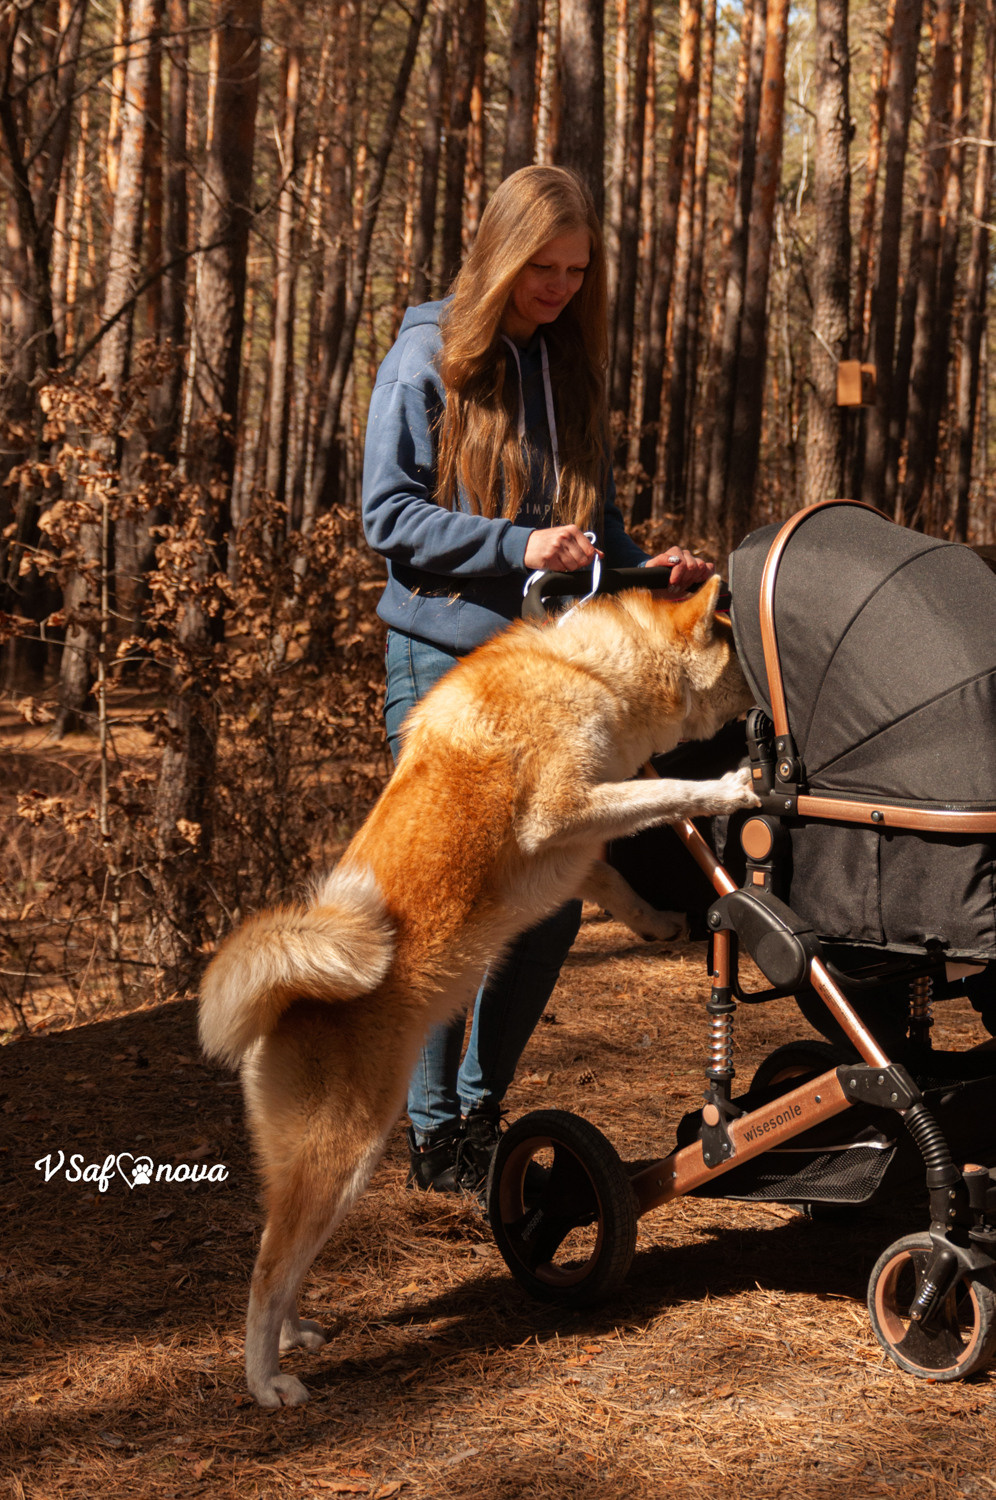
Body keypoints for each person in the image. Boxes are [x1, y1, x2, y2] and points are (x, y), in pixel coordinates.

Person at [361, 164, 713, 1196]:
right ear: (500, 255)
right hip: (442, 661)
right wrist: (516, 546)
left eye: (576, 271)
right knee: (452, 899)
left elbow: (594, 531)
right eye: (541, 267)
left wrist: (648, 569)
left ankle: (480, 1115)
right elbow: (387, 516)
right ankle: (434, 1136)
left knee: (551, 894)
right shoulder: (425, 358)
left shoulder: (567, 365)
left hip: (548, 668)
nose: (558, 287)